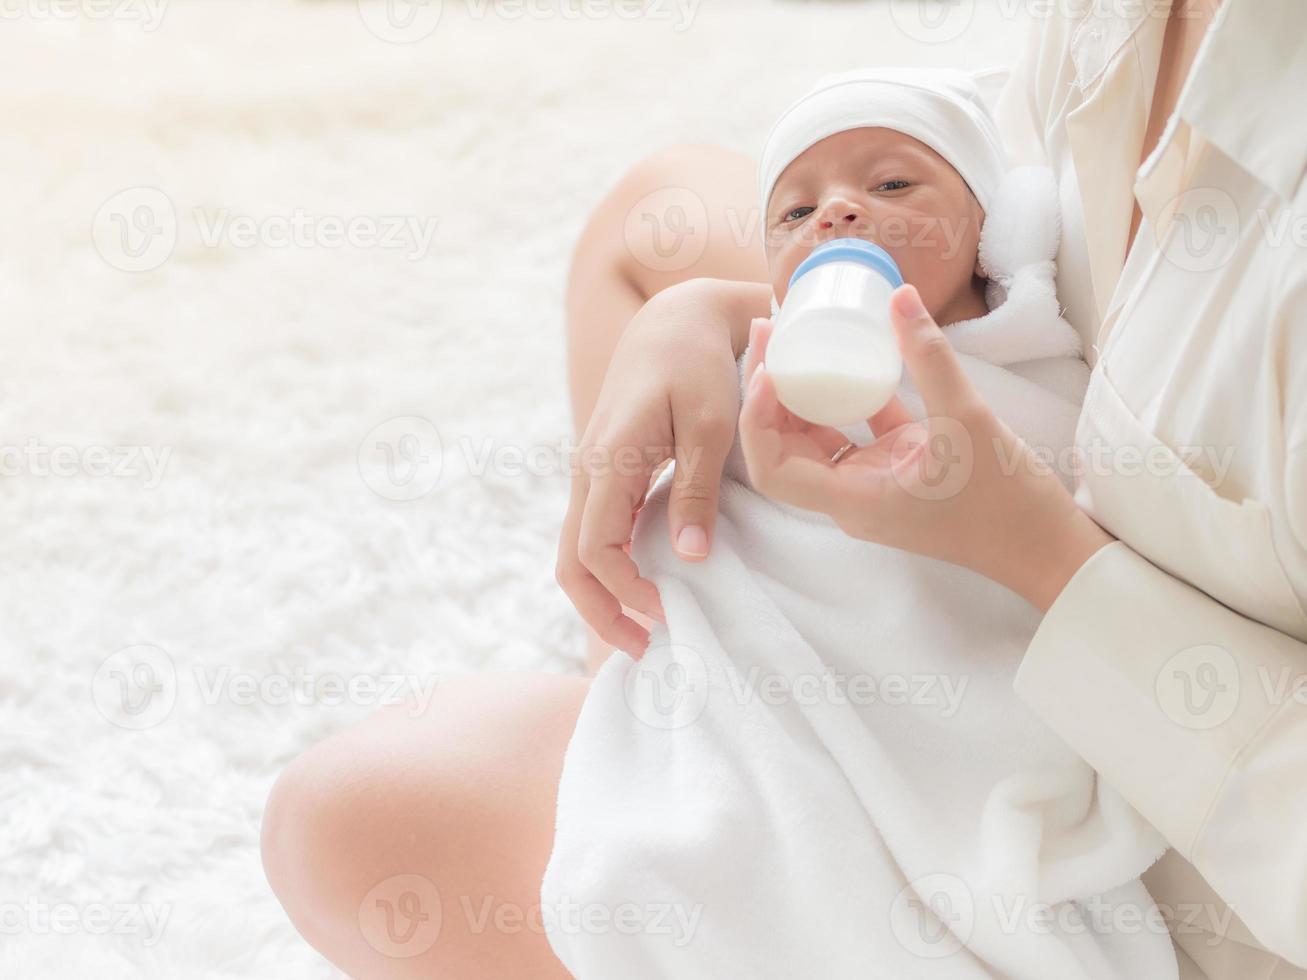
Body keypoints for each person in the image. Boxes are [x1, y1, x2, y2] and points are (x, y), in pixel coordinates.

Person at [260, 2, 1307, 978]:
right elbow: (1007, 157)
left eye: (882, 193)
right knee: (651, 220)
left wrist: (1022, 544)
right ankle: (673, 662)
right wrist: (714, 315)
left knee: (341, 818)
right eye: (801, 207)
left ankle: (715, 749)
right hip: (1009, 364)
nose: (838, 209)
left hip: (1185, 820)